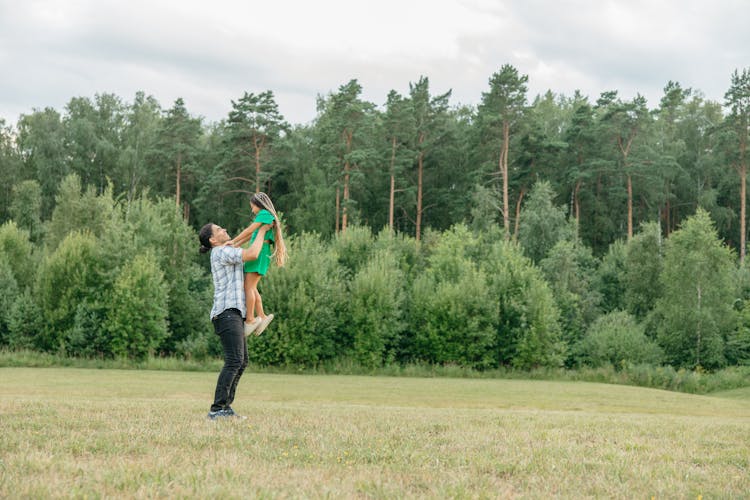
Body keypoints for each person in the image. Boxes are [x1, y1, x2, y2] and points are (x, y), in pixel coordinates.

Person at [199, 221, 273, 420]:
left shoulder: (228, 248)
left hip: (234, 313)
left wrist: (259, 231)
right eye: (219, 229)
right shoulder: (220, 253)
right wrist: (263, 229)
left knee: (241, 361)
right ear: (213, 240)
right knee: (234, 360)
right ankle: (216, 409)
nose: (224, 229)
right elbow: (252, 254)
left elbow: (246, 237)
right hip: (226, 313)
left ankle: (225, 407)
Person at [228, 192, 288, 337]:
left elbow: (249, 230)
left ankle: (250, 319)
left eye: (252, 207)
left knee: (248, 287)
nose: (252, 210)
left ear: (258, 205)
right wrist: (234, 244)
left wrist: (233, 240)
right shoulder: (264, 216)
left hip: (259, 253)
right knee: (252, 287)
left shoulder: (265, 214)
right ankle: (261, 315)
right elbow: (249, 235)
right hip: (261, 253)